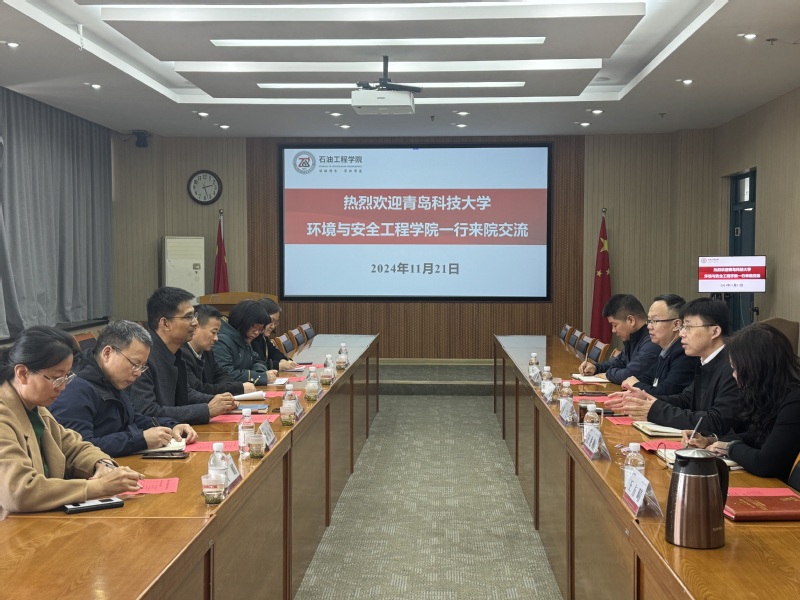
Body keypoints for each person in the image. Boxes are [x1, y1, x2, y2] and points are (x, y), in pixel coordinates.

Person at [0, 326, 143, 520]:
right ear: (23, 373)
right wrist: (97, 487)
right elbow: (18, 491)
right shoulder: (5, 415)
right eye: (56, 378)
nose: (63, 387)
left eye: (66, 377)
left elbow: (74, 446)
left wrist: (102, 465)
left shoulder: (36, 407)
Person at [50, 320, 198, 457]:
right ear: (107, 353)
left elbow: (133, 418)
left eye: (142, 367)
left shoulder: (109, 378)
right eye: (135, 364)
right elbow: (80, 449)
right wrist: (141, 439)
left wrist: (171, 427)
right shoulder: (74, 390)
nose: (138, 373)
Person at [605, 298, 740, 435]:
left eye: (688, 327)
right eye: (683, 327)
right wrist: (644, 399)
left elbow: (717, 422)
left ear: (715, 331)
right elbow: (685, 399)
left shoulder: (733, 366)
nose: (682, 334)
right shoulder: (706, 361)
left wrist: (655, 410)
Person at [684, 323, 800, 483]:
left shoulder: (795, 401)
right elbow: (760, 436)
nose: (734, 375)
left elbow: (765, 463)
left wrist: (729, 448)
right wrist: (713, 440)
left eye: (736, 369)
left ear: (756, 368)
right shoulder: (772, 393)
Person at [130, 287, 237, 424]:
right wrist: (206, 410)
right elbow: (147, 412)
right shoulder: (143, 356)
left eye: (194, 316)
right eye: (188, 317)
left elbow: (184, 393)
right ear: (165, 323)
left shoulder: (175, 351)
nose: (195, 323)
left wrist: (218, 401)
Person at [621, 294, 699, 395]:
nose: (649, 326)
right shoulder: (664, 350)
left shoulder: (684, 354)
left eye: (655, 321)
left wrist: (636, 385)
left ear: (676, 324)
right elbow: (644, 378)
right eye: (649, 320)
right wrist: (633, 384)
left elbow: (664, 393)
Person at [578, 294, 660, 383]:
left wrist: (608, 374)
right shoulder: (633, 338)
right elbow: (619, 362)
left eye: (615, 325)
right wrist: (596, 368)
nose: (613, 330)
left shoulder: (652, 341)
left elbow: (630, 375)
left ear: (631, 320)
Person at [181, 304, 257, 396]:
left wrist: (231, 387)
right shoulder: (181, 354)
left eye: (217, 333)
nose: (216, 338)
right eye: (213, 332)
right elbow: (197, 389)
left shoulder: (207, 352)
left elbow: (221, 375)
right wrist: (238, 388)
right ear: (195, 327)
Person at [214, 300, 278, 385]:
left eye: (260, 329)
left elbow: (258, 361)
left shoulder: (243, 337)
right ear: (243, 321)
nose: (256, 333)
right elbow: (226, 375)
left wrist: (259, 372)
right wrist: (260, 377)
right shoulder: (221, 341)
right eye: (255, 327)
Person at [251, 298, 298, 371]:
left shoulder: (262, 336)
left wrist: (283, 360)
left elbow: (273, 351)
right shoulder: (250, 337)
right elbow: (253, 366)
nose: (273, 326)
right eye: (271, 321)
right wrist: (277, 365)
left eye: (275, 322)